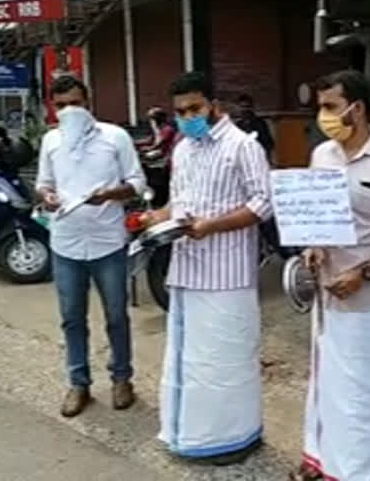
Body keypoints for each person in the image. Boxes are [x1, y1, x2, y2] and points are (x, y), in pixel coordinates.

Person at [293, 70, 370, 481]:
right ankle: (324, 459)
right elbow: (314, 217)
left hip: (367, 297)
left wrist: (365, 272)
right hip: (326, 296)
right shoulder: (321, 156)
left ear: (357, 108)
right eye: (321, 107)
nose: (323, 116)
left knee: (368, 389)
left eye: (330, 106)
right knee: (327, 381)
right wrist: (312, 248)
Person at [143, 72, 272, 464]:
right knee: (191, 360)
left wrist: (211, 226)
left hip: (226, 275)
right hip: (186, 270)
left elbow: (263, 203)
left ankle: (234, 438)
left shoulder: (241, 147)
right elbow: (179, 203)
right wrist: (152, 217)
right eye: (180, 112)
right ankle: (190, 435)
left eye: (194, 109)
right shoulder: (183, 149)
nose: (187, 117)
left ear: (214, 105)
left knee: (225, 360)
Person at [35, 76, 146, 418]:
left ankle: (122, 378)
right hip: (66, 241)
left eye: (76, 103)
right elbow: (43, 183)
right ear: (53, 108)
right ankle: (78, 383)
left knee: (116, 315)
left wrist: (108, 195)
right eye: (62, 105)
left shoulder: (114, 137)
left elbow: (137, 184)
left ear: (89, 102)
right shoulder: (51, 141)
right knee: (71, 318)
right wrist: (47, 197)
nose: (70, 110)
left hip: (107, 242)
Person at [235, 94, 274, 162]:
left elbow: (269, 144)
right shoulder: (238, 125)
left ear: (252, 107)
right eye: (242, 107)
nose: (245, 109)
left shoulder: (260, 123)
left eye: (247, 107)